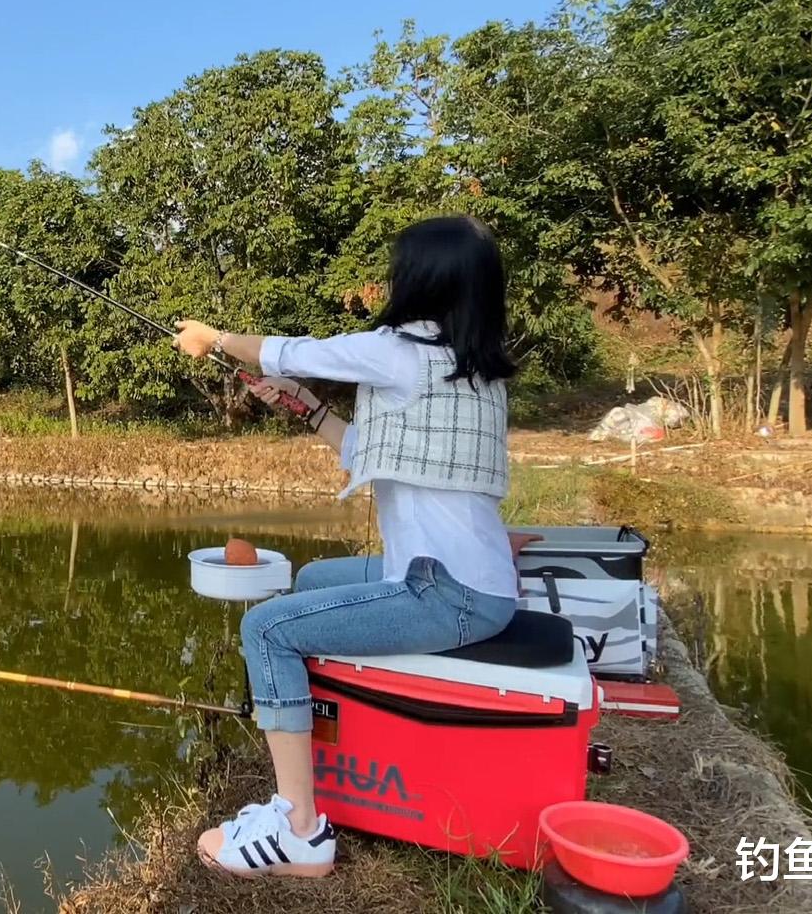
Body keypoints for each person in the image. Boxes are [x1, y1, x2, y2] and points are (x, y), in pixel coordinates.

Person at [171, 215, 540, 878]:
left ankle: (300, 830)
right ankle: (336, 741)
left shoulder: (399, 351)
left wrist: (214, 338)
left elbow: (292, 348)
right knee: (313, 580)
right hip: (470, 583)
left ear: (422, 279)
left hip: (447, 594)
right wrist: (306, 408)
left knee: (266, 628)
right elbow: (372, 449)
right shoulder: (469, 368)